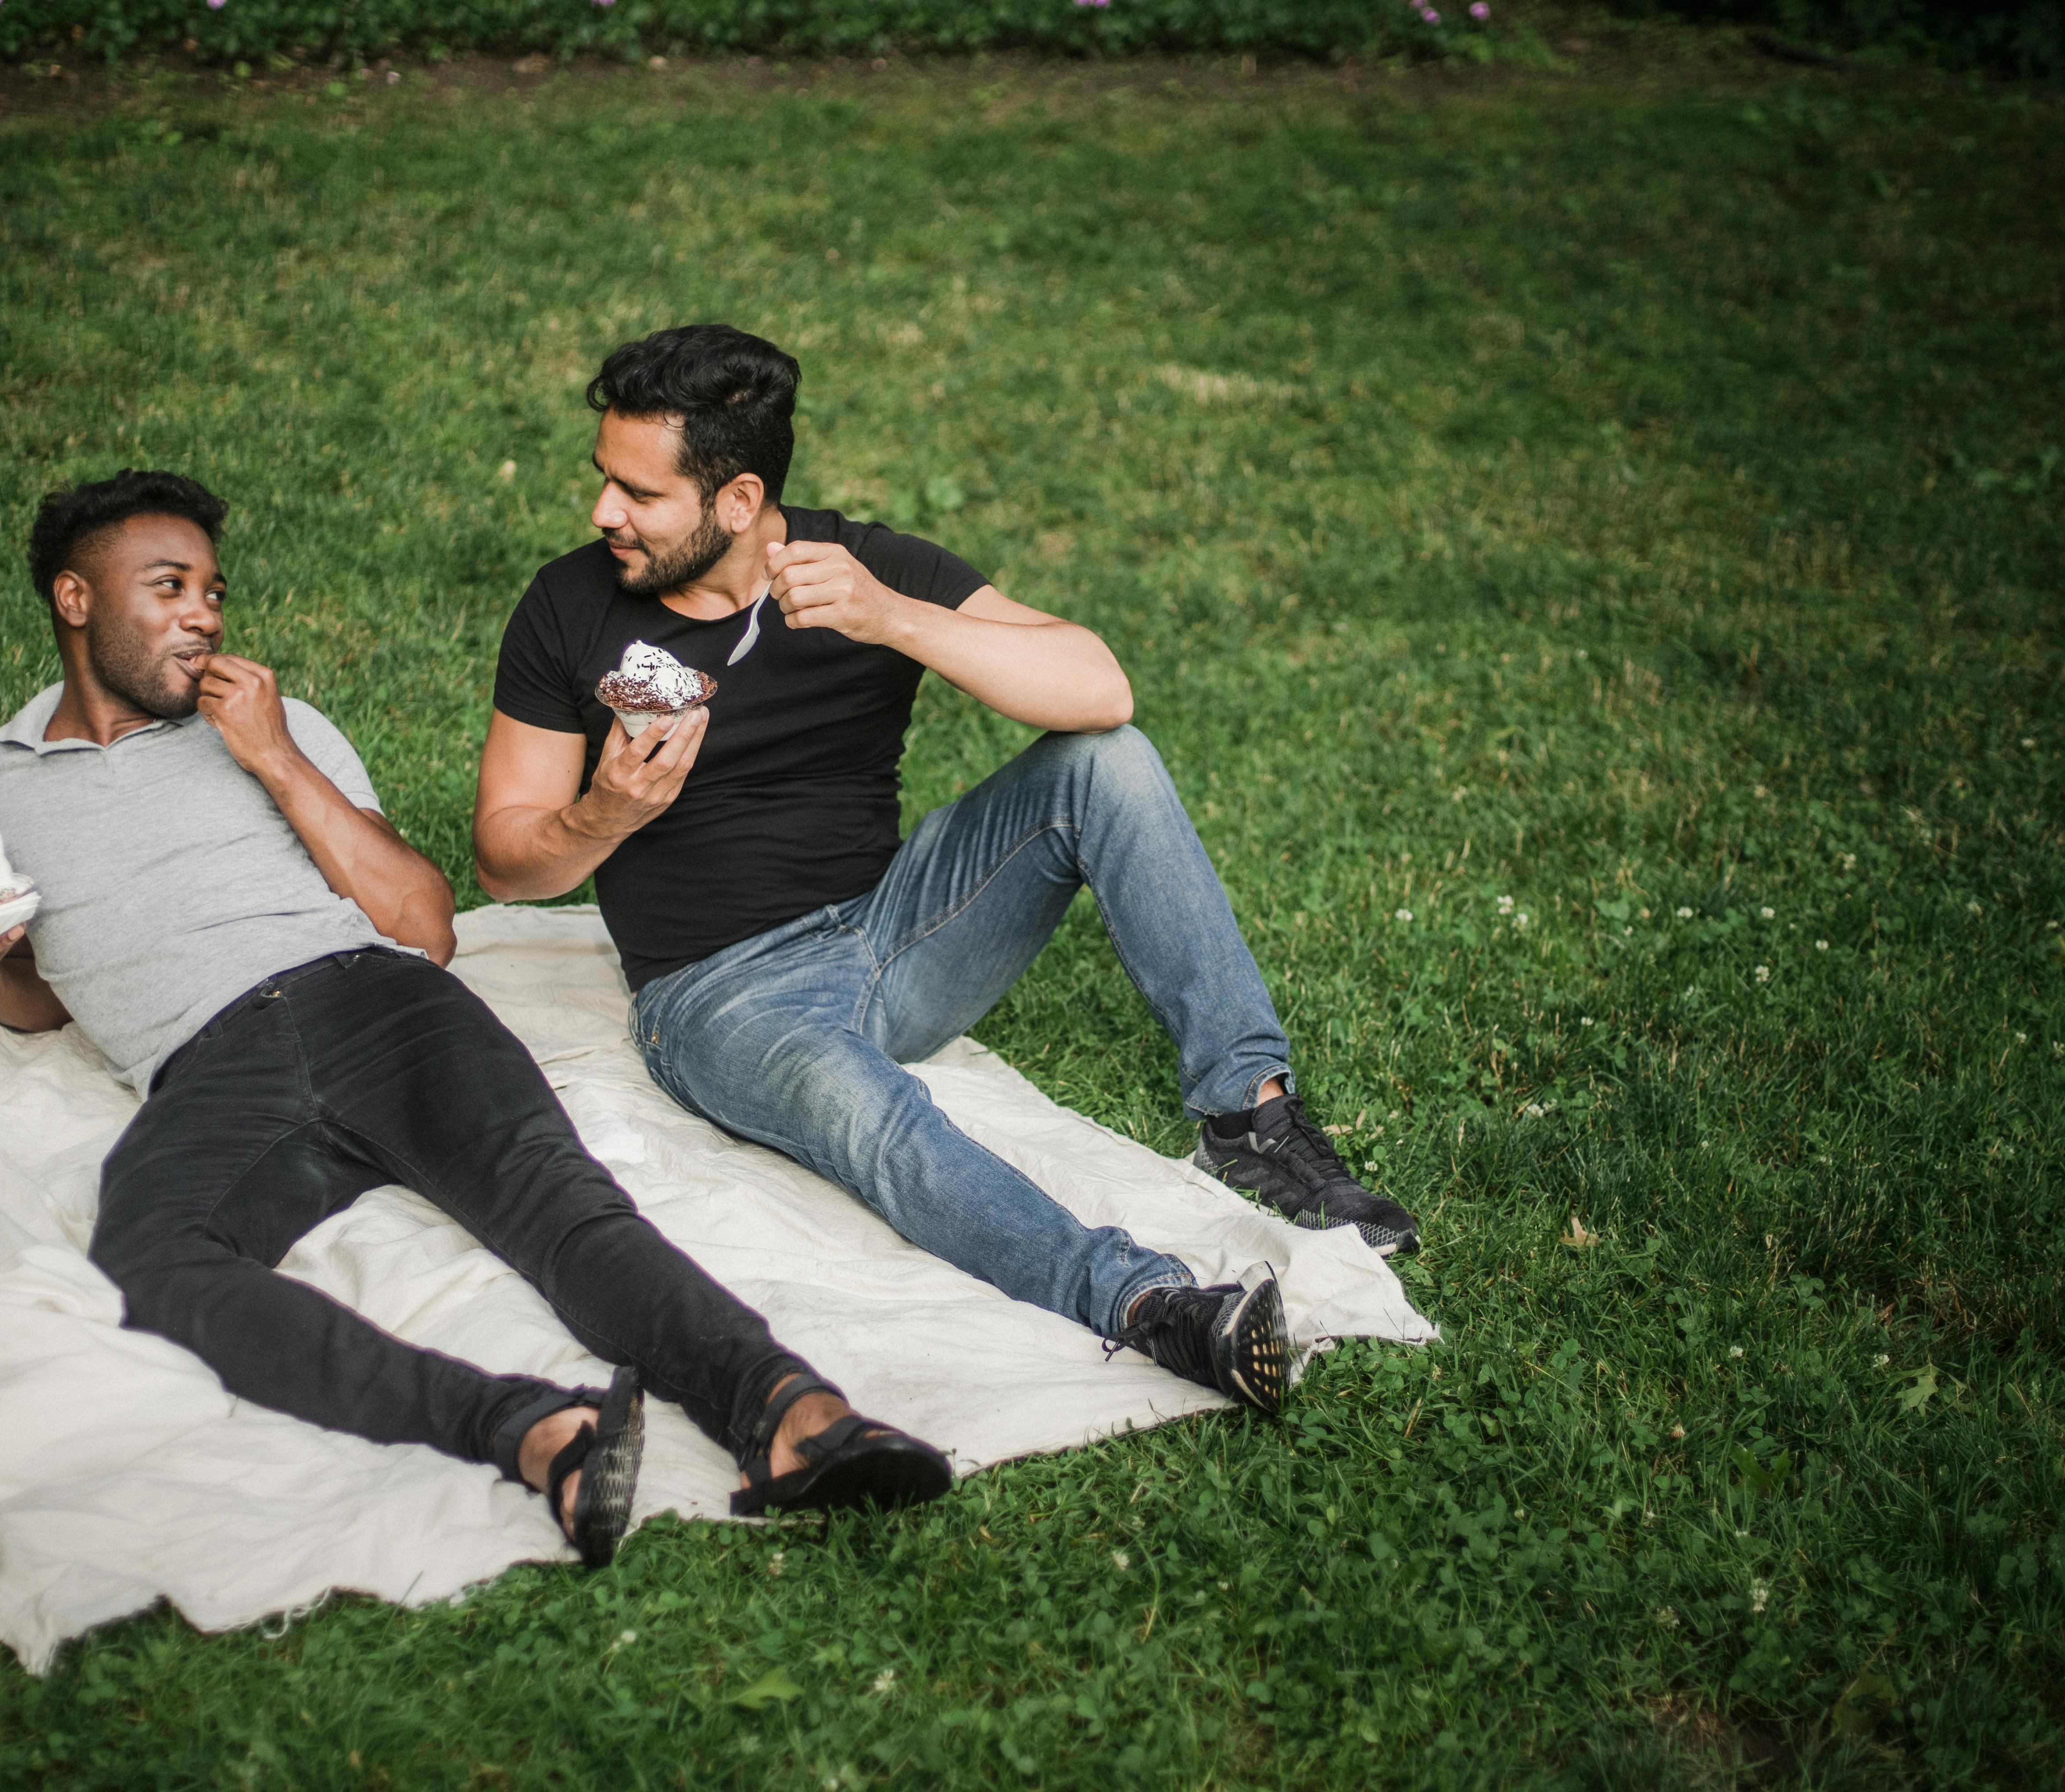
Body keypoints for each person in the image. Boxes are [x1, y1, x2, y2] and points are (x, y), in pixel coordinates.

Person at [0, 468, 948, 1565]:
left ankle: (790, 1413)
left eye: (214, 592)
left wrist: (272, 755)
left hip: (377, 1001)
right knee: (152, 1265)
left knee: (564, 1213)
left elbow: (424, 923)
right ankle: (531, 1428)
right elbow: (44, 995)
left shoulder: (282, 723)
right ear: (76, 601)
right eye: (169, 588)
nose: (205, 616)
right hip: (204, 1067)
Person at [472, 325, 1422, 1418]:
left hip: (897, 929)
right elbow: (507, 863)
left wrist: (895, 618)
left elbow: (1102, 690)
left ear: (738, 500)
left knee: (1103, 763)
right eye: (605, 480)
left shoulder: (861, 567)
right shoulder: (568, 606)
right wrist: (605, 814)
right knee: (868, 1112)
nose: (603, 513)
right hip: (721, 989)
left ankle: (1251, 1117)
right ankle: (1146, 1300)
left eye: (638, 493)